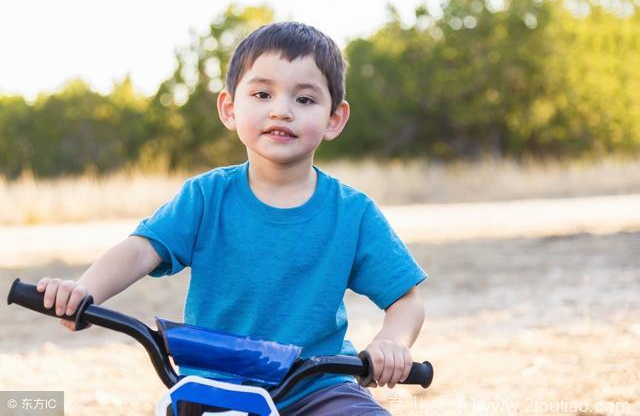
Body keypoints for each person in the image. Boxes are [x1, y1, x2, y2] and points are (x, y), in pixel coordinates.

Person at [36, 21, 427, 415]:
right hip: (212, 384)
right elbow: (140, 251)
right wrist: (84, 291)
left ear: (334, 119)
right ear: (229, 108)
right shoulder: (206, 197)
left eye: (305, 100)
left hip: (317, 387)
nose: (281, 110)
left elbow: (405, 300)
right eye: (262, 93)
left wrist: (391, 341)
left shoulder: (352, 213)